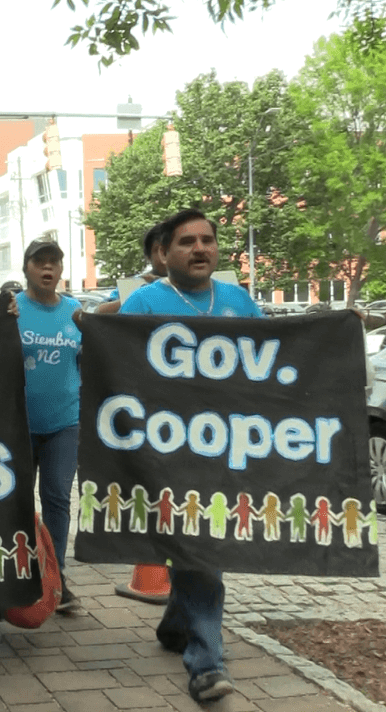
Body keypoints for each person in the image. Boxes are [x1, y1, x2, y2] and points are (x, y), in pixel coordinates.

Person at [118, 208, 261, 703]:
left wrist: (340, 328)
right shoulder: (144, 301)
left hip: (227, 447)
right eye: (186, 242)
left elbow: (281, 354)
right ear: (164, 253)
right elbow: (113, 357)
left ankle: (177, 623)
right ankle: (205, 662)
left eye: (207, 240)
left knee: (200, 547)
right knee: (200, 550)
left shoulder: (239, 300)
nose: (199, 249)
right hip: (168, 450)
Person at [16, 239, 82, 613]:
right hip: (17, 425)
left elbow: (88, 361)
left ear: (60, 270)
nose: (47, 268)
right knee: (16, 502)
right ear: (26, 268)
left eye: (53, 262)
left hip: (64, 423)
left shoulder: (75, 312)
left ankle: (57, 581)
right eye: (39, 262)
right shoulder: (12, 310)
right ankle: (19, 575)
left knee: (57, 499)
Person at [97, 224, 167, 314]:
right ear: (148, 257)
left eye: (167, 249)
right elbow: (99, 311)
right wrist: (136, 297)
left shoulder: (188, 283)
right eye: (157, 250)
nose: (164, 255)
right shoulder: (134, 283)